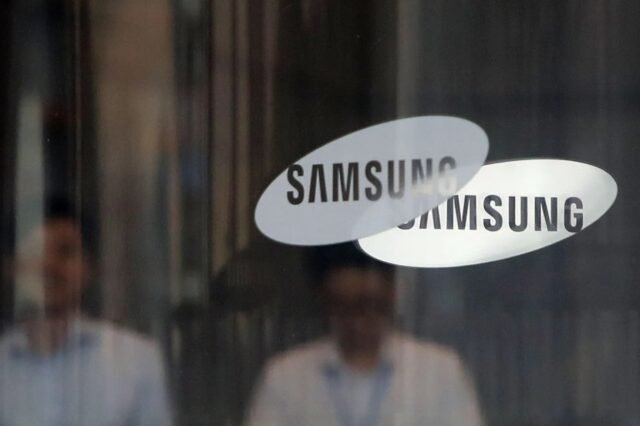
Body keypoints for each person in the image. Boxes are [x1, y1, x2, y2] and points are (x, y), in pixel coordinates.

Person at [245, 243, 484, 426]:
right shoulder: (285, 377)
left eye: (368, 305)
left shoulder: (440, 371)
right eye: (342, 308)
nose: (357, 323)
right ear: (323, 302)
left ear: (392, 295)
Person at [0, 197, 172, 426]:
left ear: (89, 267)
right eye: (34, 251)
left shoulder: (137, 359)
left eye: (65, 252)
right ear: (10, 268)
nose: (49, 265)